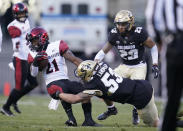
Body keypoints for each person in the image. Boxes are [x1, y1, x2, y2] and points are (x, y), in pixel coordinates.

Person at [94, 10, 159, 125]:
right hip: (124, 66)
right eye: (118, 24)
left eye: (123, 24)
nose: (120, 27)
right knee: (103, 84)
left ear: (130, 23)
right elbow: (103, 51)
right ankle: (111, 109)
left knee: (138, 92)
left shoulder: (139, 33)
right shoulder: (114, 34)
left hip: (138, 66)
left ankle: (135, 111)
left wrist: (155, 63)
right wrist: (94, 62)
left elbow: (153, 47)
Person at [27, 27, 100, 126]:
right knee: (63, 90)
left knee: (86, 90)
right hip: (52, 83)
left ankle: (88, 121)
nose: (33, 44)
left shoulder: (57, 45)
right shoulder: (33, 53)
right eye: (32, 41)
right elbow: (33, 74)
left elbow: (74, 59)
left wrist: (89, 69)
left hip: (64, 80)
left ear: (42, 38)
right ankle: (71, 119)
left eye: (34, 40)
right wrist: (35, 62)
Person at [54, 60, 159, 127]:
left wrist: (58, 94)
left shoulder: (93, 86)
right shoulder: (103, 65)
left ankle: (172, 120)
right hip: (143, 84)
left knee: (154, 124)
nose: (82, 79)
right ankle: (111, 109)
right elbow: (104, 93)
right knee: (104, 93)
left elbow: (75, 99)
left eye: (82, 77)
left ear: (88, 75)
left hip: (142, 98)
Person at [146, 0, 183, 130]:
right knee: (172, 95)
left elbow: (151, 17)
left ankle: (168, 124)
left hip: (175, 43)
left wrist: (160, 42)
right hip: (175, 42)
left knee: (172, 95)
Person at [0, 3, 38, 116]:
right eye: (19, 13)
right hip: (19, 59)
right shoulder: (12, 26)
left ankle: (14, 101)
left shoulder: (26, 21)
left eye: (23, 13)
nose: (22, 15)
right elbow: (16, 43)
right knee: (19, 86)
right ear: (15, 14)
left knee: (33, 83)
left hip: (27, 57)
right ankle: (5, 107)